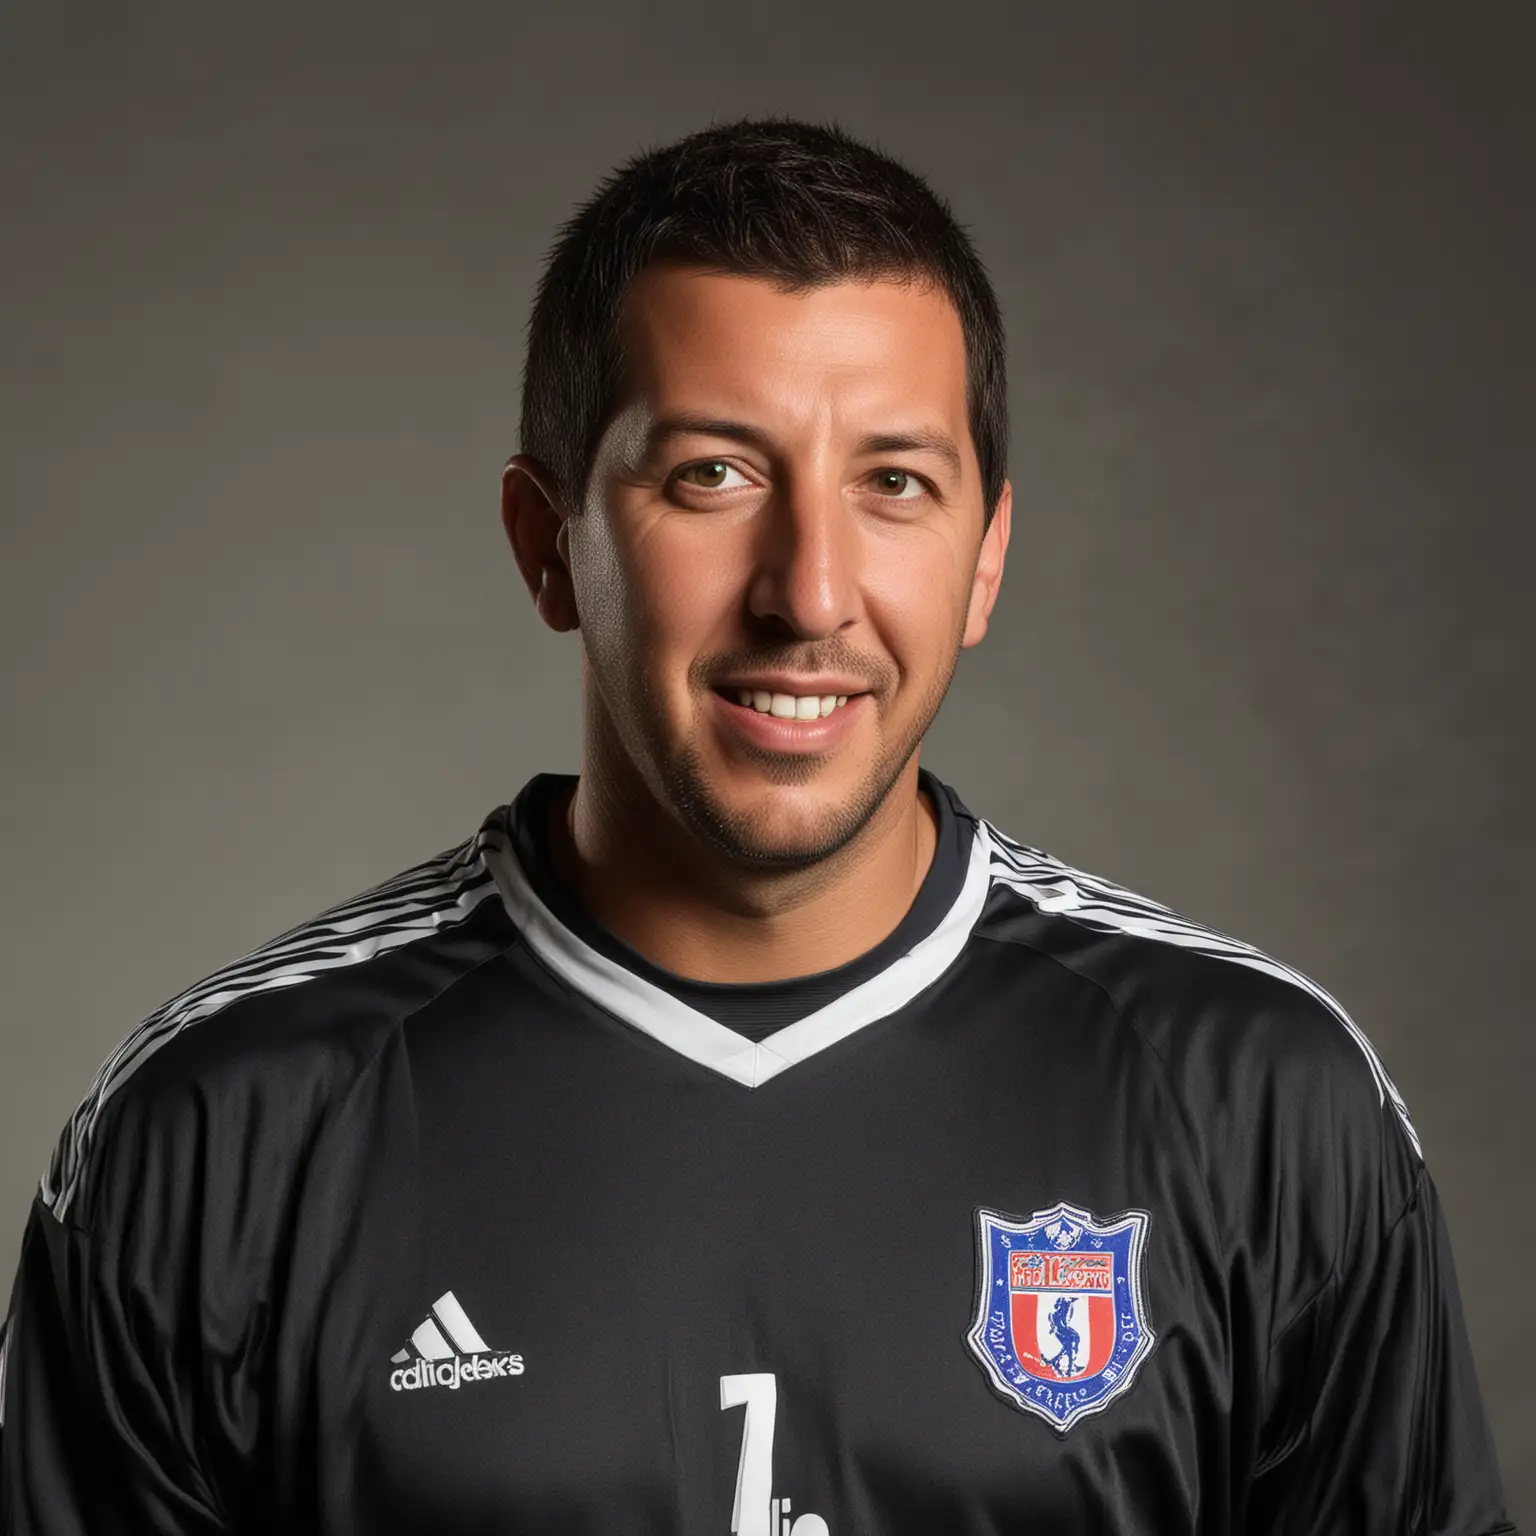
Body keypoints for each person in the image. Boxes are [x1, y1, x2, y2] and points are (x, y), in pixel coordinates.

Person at [0, 114, 1515, 1536]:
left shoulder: (1264, 1105)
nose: (810, 590)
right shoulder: (222, 1136)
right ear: (549, 545)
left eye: (897, 484)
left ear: (986, 558)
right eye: (713, 475)